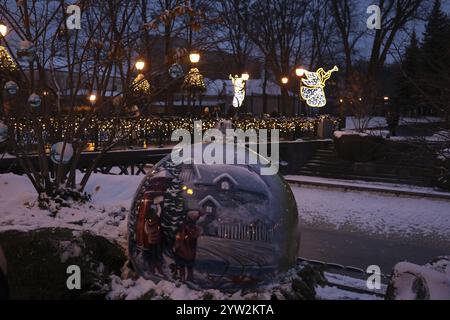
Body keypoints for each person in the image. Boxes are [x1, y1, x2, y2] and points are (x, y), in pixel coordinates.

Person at [173, 210, 202, 282]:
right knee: (189, 266)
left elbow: (179, 237)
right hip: (191, 249)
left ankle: (182, 278)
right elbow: (195, 235)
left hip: (183, 249)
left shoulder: (183, 226)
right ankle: (189, 278)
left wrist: (176, 246)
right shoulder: (194, 227)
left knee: (182, 264)